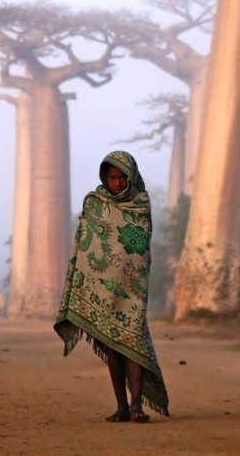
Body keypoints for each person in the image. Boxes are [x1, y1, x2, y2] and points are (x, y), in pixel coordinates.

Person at [54, 150, 169, 423]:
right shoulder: (94, 203)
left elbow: (140, 245)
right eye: (112, 177)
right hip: (102, 288)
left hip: (132, 288)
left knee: (133, 341)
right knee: (113, 348)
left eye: (121, 177)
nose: (117, 183)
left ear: (131, 177)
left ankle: (137, 405)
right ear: (104, 177)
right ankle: (121, 406)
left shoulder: (140, 202)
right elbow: (84, 245)